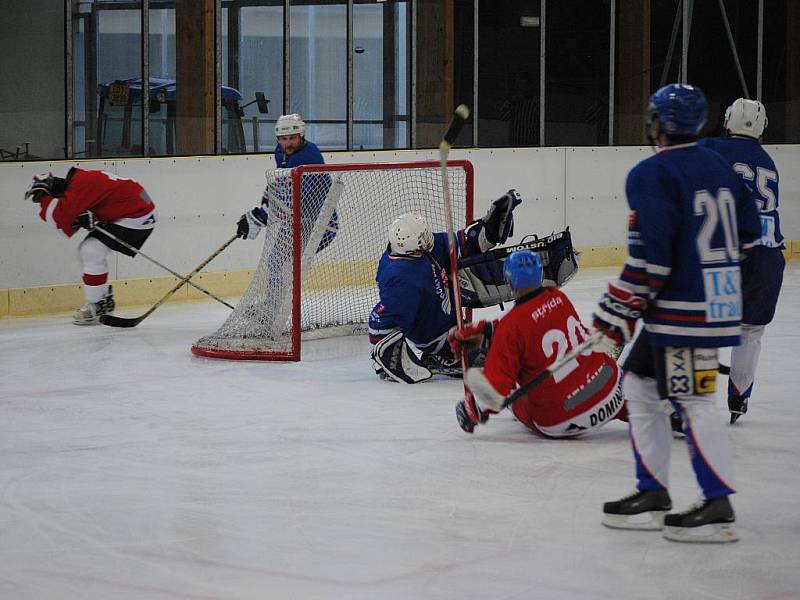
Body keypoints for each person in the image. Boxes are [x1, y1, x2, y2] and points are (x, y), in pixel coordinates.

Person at [593, 84, 761, 543]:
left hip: (686, 311)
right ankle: (652, 491)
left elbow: (653, 260)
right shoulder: (720, 165)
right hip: (710, 302)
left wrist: (615, 312)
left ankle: (717, 504)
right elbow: (750, 236)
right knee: (640, 385)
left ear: (662, 125)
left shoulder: (652, 173)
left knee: (695, 401)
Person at [448, 250, 625, 436]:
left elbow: (496, 389)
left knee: (517, 390)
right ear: (541, 275)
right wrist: (484, 332)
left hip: (561, 418)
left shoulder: (511, 327)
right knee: (627, 388)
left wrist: (472, 408)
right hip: (610, 394)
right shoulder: (559, 298)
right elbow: (530, 324)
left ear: (508, 281)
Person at [368, 190, 523, 383]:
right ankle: (443, 356)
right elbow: (380, 321)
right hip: (440, 338)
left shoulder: (419, 248)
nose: (428, 240)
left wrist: (489, 226)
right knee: (502, 354)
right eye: (423, 239)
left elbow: (460, 244)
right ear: (411, 246)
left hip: (450, 322)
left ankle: (447, 354)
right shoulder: (401, 279)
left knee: (510, 340)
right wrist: (387, 356)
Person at [697, 98, 785, 424]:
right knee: (751, 331)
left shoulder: (711, 147)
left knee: (701, 328)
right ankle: (739, 398)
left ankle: (694, 400)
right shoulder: (768, 162)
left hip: (725, 252)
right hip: (768, 256)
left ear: (727, 120)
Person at [25, 168, 157, 325]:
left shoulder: (78, 187)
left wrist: (45, 199)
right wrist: (92, 213)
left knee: (91, 251)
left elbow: (58, 220)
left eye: (39, 197)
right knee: (89, 251)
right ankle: (102, 297)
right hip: (137, 206)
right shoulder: (80, 180)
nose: (39, 201)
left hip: (138, 215)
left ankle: (97, 304)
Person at [236, 113, 330, 242]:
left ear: (301, 136)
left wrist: (258, 217)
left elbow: (293, 197)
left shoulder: (309, 156)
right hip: (296, 220)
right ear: (278, 139)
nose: (288, 143)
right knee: (277, 262)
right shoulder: (281, 152)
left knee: (281, 261)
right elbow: (283, 184)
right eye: (283, 139)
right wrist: (266, 201)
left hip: (319, 224)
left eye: (292, 138)